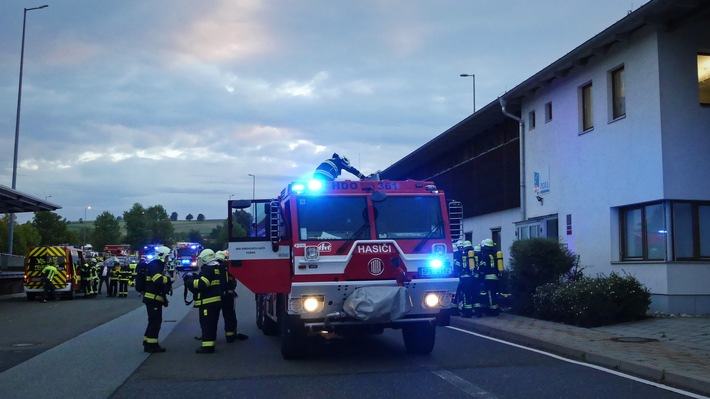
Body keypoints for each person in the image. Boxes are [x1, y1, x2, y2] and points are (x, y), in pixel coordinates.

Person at [184, 249, 224, 354]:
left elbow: (202, 284)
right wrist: (196, 277)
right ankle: (210, 343)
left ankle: (207, 347)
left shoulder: (208, 269)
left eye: (201, 259)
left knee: (207, 324)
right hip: (214, 302)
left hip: (208, 302)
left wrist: (190, 282)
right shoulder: (216, 268)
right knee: (211, 324)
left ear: (206, 258)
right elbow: (207, 280)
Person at [142, 245, 172, 353]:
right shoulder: (155, 265)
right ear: (162, 256)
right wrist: (169, 280)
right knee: (155, 321)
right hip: (153, 298)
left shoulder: (157, 265)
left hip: (154, 298)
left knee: (153, 321)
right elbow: (157, 280)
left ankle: (147, 342)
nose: (168, 259)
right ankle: (152, 345)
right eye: (167, 257)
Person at [215, 250, 248, 343]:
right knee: (229, 315)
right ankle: (230, 336)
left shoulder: (212, 268)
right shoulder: (227, 267)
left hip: (215, 296)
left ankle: (209, 336)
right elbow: (232, 281)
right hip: (228, 295)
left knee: (212, 317)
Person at [477, 239, 501, 317]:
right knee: (493, 293)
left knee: (490, 294)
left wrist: (480, 277)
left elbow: (482, 267)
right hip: (495, 277)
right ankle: (496, 308)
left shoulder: (484, 256)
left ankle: (493, 310)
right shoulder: (495, 255)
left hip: (488, 277)